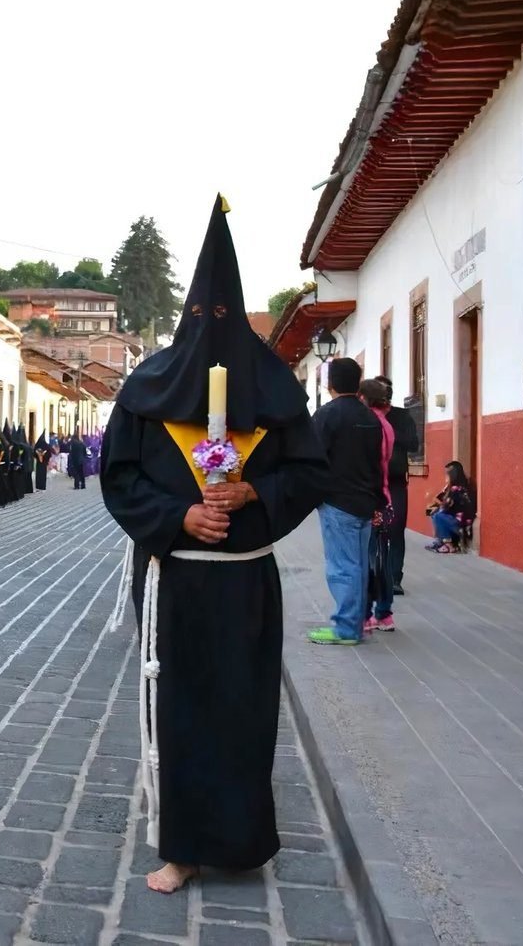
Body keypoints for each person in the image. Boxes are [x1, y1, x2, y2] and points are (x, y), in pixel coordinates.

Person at [101, 195, 327, 895]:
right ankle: (182, 846)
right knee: (179, 709)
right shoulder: (147, 388)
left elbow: (309, 472)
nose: (211, 330)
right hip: (176, 577)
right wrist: (178, 518)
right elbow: (120, 476)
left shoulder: (276, 389)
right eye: (202, 317)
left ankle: (241, 838)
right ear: (186, 315)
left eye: (223, 318)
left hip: (246, 581)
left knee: (244, 707)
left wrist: (256, 494)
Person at [309, 357, 383, 646]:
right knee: (359, 565)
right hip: (365, 501)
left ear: (330, 385)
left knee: (342, 567)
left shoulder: (327, 415)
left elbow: (312, 457)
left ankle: (346, 628)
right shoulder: (370, 418)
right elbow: (378, 463)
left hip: (338, 502)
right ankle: (357, 621)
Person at [373, 376, 419, 596]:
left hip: (396, 482)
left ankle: (394, 578)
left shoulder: (402, 416)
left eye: (386, 392)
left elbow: (413, 443)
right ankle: (377, 575)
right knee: (374, 531)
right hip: (371, 483)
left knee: (395, 528)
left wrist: (388, 430)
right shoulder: (366, 416)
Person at [360, 379, 397, 633]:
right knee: (381, 557)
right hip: (384, 498)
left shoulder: (371, 424)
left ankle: (369, 613)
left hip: (373, 499)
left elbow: (372, 465)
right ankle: (384, 612)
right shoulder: (385, 423)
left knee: (368, 558)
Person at [426, 461, 476, 553]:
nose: (445, 476)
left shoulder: (457, 489)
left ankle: (449, 545)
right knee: (435, 513)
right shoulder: (454, 487)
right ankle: (440, 542)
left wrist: (437, 503)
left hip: (461, 525)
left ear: (452, 475)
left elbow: (446, 506)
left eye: (447, 474)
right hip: (456, 520)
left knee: (438, 515)